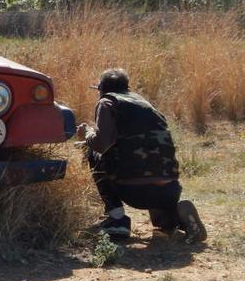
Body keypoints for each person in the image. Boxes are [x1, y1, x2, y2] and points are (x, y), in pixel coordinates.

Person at [77, 68, 207, 242]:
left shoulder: (107, 102)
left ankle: (117, 219)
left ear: (101, 89)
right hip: (170, 190)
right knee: (162, 223)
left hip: (134, 192)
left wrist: (87, 134)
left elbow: (101, 144)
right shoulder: (146, 105)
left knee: (92, 150)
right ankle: (176, 213)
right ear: (127, 87)